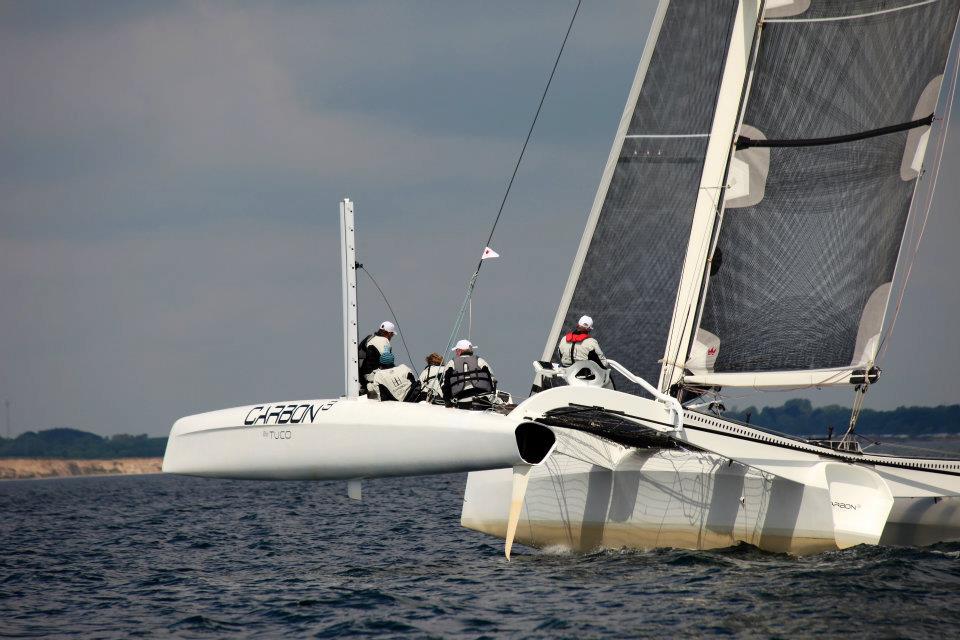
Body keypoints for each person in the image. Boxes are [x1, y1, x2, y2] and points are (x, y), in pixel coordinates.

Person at [442, 339, 496, 408]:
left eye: (456, 350)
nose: (456, 353)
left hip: (461, 399)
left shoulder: (451, 363)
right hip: (482, 397)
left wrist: (447, 401)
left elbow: (445, 383)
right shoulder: (480, 361)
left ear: (459, 351)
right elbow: (492, 378)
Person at [359, 321, 396, 393]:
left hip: (363, 376)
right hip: (373, 377)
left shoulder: (370, 338)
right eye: (392, 335)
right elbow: (388, 362)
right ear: (389, 333)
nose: (392, 337)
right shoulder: (384, 341)